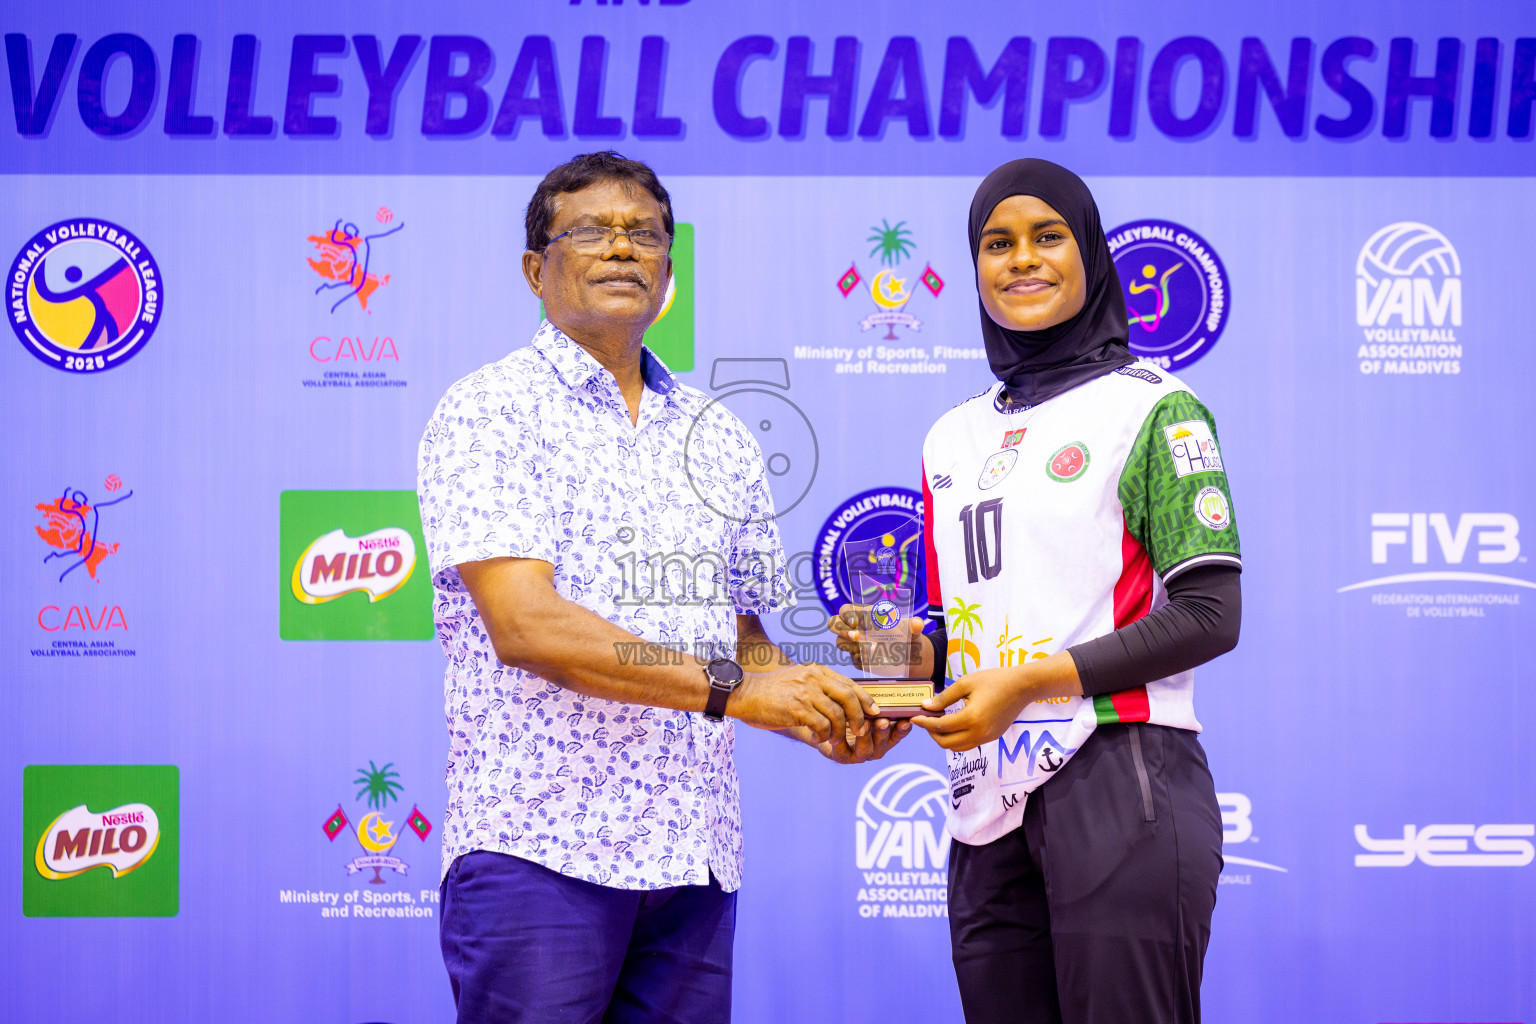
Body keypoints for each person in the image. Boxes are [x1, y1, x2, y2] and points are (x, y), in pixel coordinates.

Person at [417, 151, 908, 1024]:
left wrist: (830, 707)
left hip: (692, 858)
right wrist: (736, 693)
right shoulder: (487, 409)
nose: (620, 249)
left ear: (668, 274)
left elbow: (751, 642)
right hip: (540, 852)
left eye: (643, 235)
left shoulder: (718, 434)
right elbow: (529, 626)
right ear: (536, 269)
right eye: (591, 233)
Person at [831, 158, 1241, 1024]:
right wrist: (890, 658)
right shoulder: (953, 436)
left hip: (1123, 773)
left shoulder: (1156, 407)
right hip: (985, 801)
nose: (1022, 259)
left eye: (1047, 236)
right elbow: (958, 632)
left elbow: (1210, 613)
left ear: (1090, 253)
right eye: (996, 243)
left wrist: (1027, 683)